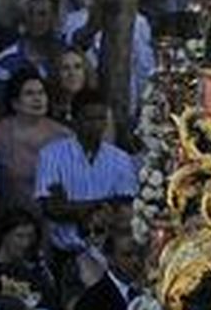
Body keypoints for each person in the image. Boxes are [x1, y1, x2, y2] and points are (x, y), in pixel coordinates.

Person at [34, 89, 137, 266]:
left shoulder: (121, 159)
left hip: (110, 255)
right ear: (74, 120)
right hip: (67, 254)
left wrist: (75, 207)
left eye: (101, 118)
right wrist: (101, 205)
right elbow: (52, 209)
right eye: (89, 119)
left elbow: (125, 207)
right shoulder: (51, 155)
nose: (97, 125)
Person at [0, 70, 71, 213]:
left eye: (41, 93)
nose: (37, 99)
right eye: (29, 94)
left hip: (53, 218)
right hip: (8, 219)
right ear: (15, 103)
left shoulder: (64, 136)